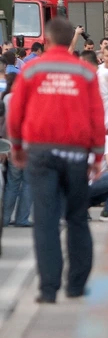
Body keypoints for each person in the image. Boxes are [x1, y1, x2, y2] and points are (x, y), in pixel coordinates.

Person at [7, 17, 105, 304]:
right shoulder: (86, 73)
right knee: (76, 218)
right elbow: (96, 117)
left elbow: (16, 113)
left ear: (47, 40)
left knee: (46, 220)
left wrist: (17, 147)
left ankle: (48, 289)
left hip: (40, 153)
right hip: (76, 154)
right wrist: (97, 156)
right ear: (70, 41)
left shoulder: (32, 69)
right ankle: (76, 286)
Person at [2, 73, 32, 227]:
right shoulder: (30, 100)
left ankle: (5, 218)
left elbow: (6, 125)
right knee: (28, 183)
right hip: (28, 147)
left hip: (12, 146)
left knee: (12, 184)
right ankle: (22, 218)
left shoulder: (7, 99)